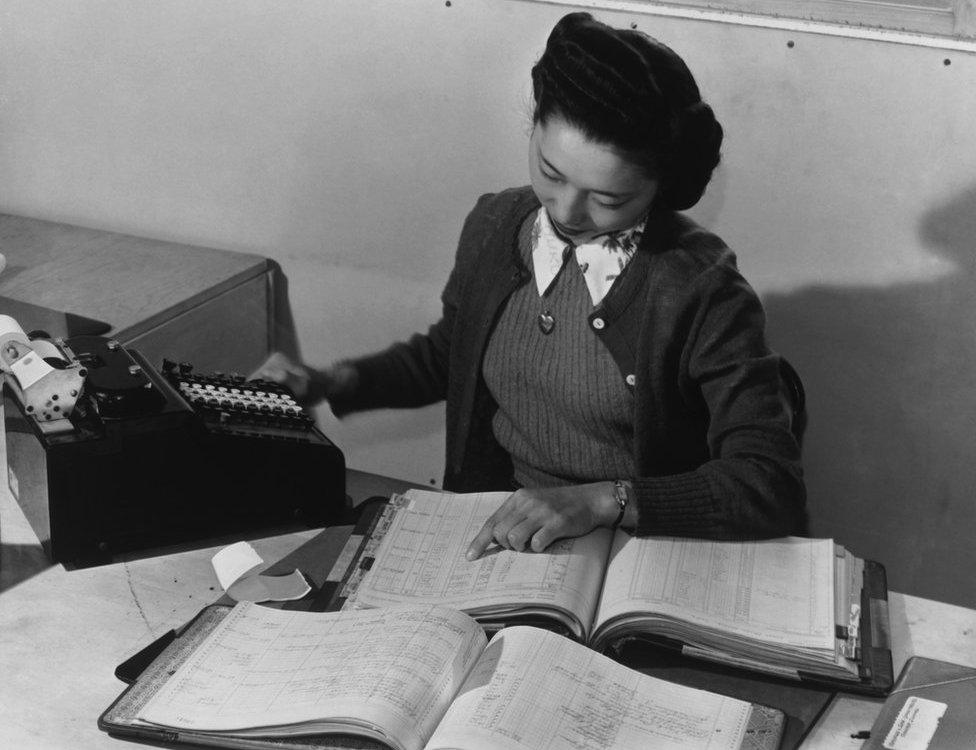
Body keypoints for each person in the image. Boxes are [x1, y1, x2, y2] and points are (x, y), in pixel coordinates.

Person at [252, 11, 806, 560]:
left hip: (643, 555)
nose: (567, 210)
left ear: (660, 187)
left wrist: (603, 500)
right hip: (510, 538)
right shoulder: (495, 226)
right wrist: (326, 381)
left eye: (609, 199)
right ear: (533, 125)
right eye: (550, 171)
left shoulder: (701, 289)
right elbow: (450, 356)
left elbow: (766, 484)